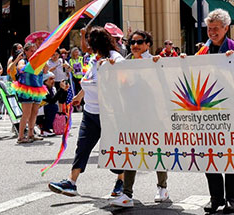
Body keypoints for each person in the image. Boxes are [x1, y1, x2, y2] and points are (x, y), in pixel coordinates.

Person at [47, 26, 124, 199]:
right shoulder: (93, 59)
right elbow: (89, 81)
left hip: (109, 113)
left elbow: (123, 80)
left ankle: (122, 181)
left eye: (90, 41)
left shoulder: (114, 58)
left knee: (114, 149)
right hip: (90, 112)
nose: (87, 46)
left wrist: (111, 69)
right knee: (82, 147)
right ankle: (71, 182)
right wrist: (79, 96)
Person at [193, 9, 234, 214]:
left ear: (226, 28)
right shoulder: (202, 51)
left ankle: (232, 198)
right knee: (208, 153)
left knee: (231, 153)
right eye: (209, 28)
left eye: (216, 28)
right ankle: (216, 198)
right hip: (208, 110)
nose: (212, 32)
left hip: (232, 109)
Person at [117, 30, 170, 205]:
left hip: (153, 114)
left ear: (148, 44)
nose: (135, 45)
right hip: (132, 114)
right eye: (131, 42)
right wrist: (110, 69)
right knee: (131, 150)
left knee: (157, 150)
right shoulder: (126, 63)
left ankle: (162, 187)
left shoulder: (154, 61)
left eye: (139, 42)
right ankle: (127, 193)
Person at [10, 42, 44, 144]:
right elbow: (20, 69)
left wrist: (43, 59)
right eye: (31, 51)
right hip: (26, 89)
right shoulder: (23, 61)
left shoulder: (37, 61)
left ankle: (31, 134)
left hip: (37, 88)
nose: (33, 52)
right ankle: (20, 136)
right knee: (26, 113)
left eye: (35, 51)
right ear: (25, 51)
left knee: (34, 113)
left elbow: (45, 70)